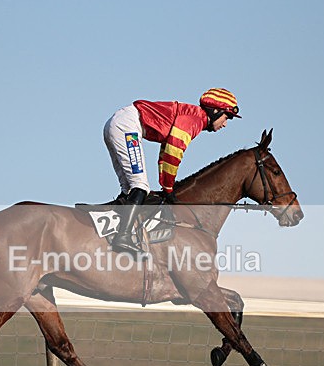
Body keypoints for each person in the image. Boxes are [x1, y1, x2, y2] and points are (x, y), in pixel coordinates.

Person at [103, 88, 241, 254]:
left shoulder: (193, 116)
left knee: (129, 190)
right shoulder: (194, 120)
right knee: (140, 187)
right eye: (227, 117)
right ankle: (123, 236)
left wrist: (165, 183)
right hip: (127, 126)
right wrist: (168, 188)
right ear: (216, 111)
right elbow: (173, 152)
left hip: (120, 124)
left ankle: (114, 230)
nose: (225, 124)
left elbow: (166, 151)